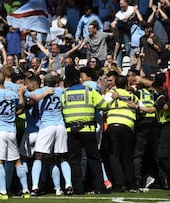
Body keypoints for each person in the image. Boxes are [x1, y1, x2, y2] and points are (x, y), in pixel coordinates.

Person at [62, 65, 109, 194]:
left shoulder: (65, 94)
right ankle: (100, 188)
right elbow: (104, 105)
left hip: (72, 131)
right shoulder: (89, 91)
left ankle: (78, 189)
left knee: (75, 161)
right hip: (88, 129)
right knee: (94, 159)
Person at [0, 71, 29, 200]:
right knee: (16, 161)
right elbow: (20, 109)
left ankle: (3, 192)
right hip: (11, 131)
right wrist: (20, 95)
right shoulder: (13, 95)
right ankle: (26, 190)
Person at [25, 73, 73, 196]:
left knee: (39, 156)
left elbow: (29, 101)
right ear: (55, 82)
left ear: (43, 83)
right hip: (60, 125)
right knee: (61, 157)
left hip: (46, 126)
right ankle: (68, 185)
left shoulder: (39, 91)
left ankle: (35, 187)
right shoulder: (61, 91)